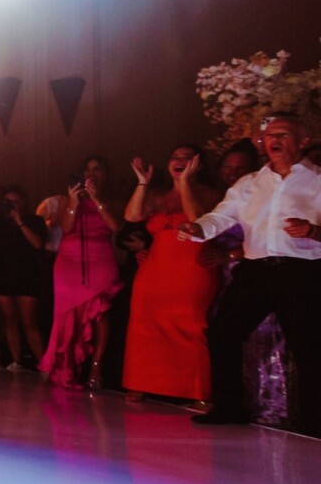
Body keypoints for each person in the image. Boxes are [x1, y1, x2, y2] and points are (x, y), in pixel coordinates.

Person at [180, 115, 321, 432]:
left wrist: (312, 230)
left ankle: (315, 422)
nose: (273, 140)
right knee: (222, 331)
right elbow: (221, 216)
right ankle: (228, 407)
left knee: (308, 346)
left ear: (303, 141)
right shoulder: (250, 183)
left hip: (301, 271)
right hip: (255, 270)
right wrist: (197, 229)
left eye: (283, 134)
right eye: (269, 135)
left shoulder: (317, 181)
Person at [119, 146, 222, 403]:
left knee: (192, 325)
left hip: (192, 269)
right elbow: (132, 215)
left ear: (199, 164)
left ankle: (197, 390)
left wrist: (184, 182)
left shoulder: (211, 194)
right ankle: (140, 382)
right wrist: (142, 183)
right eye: (175, 157)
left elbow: (197, 219)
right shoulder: (158, 196)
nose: (180, 161)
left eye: (187, 158)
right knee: (145, 326)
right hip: (154, 270)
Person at [39, 155, 123, 389]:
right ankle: (65, 367)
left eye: (97, 169)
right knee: (66, 315)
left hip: (101, 259)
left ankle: (97, 365)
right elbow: (66, 228)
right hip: (69, 261)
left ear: (104, 174)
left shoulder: (114, 201)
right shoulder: (66, 200)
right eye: (87, 169)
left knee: (101, 313)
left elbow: (115, 226)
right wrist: (74, 203)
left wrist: (96, 200)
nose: (91, 173)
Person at [0, 184, 46, 369]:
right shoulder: (0, 222)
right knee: (9, 320)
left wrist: (19, 220)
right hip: (3, 274)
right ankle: (16, 361)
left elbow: (37, 244)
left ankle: (44, 363)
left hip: (27, 275)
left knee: (29, 321)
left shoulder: (34, 220)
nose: (11, 206)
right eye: (7, 202)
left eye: (15, 202)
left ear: (23, 202)